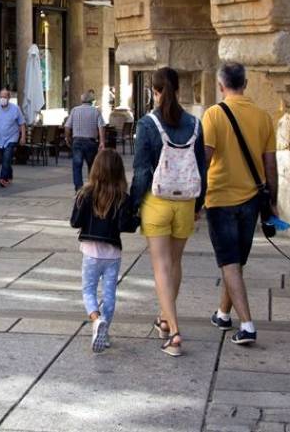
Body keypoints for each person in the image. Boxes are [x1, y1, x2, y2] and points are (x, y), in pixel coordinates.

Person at [129, 67, 207, 357]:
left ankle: (173, 331)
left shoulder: (148, 124)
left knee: (161, 266)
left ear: (155, 90)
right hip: (186, 201)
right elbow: (202, 169)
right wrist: (199, 205)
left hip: (156, 201)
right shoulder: (195, 124)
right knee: (175, 263)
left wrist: (134, 205)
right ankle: (163, 318)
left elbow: (140, 171)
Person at [202, 62, 277, 346]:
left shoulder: (214, 115)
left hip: (220, 198)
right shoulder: (263, 117)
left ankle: (247, 325)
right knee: (235, 261)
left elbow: (205, 159)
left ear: (222, 86)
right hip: (251, 200)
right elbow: (271, 163)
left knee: (230, 262)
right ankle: (223, 314)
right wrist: (272, 201)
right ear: (245, 84)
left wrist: (197, 199)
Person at [71, 149, 130, 353]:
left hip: (90, 252)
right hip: (113, 254)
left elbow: (74, 222)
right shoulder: (122, 197)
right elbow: (127, 225)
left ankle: (96, 321)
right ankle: (104, 331)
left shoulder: (86, 193)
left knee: (88, 290)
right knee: (110, 294)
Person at [65, 89, 106, 191]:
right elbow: (101, 127)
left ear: (81, 100)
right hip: (90, 142)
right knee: (91, 166)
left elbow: (67, 126)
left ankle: (78, 188)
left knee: (77, 165)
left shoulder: (75, 110)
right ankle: (92, 187)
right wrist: (102, 142)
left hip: (77, 141)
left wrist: (67, 137)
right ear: (91, 101)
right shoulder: (96, 111)